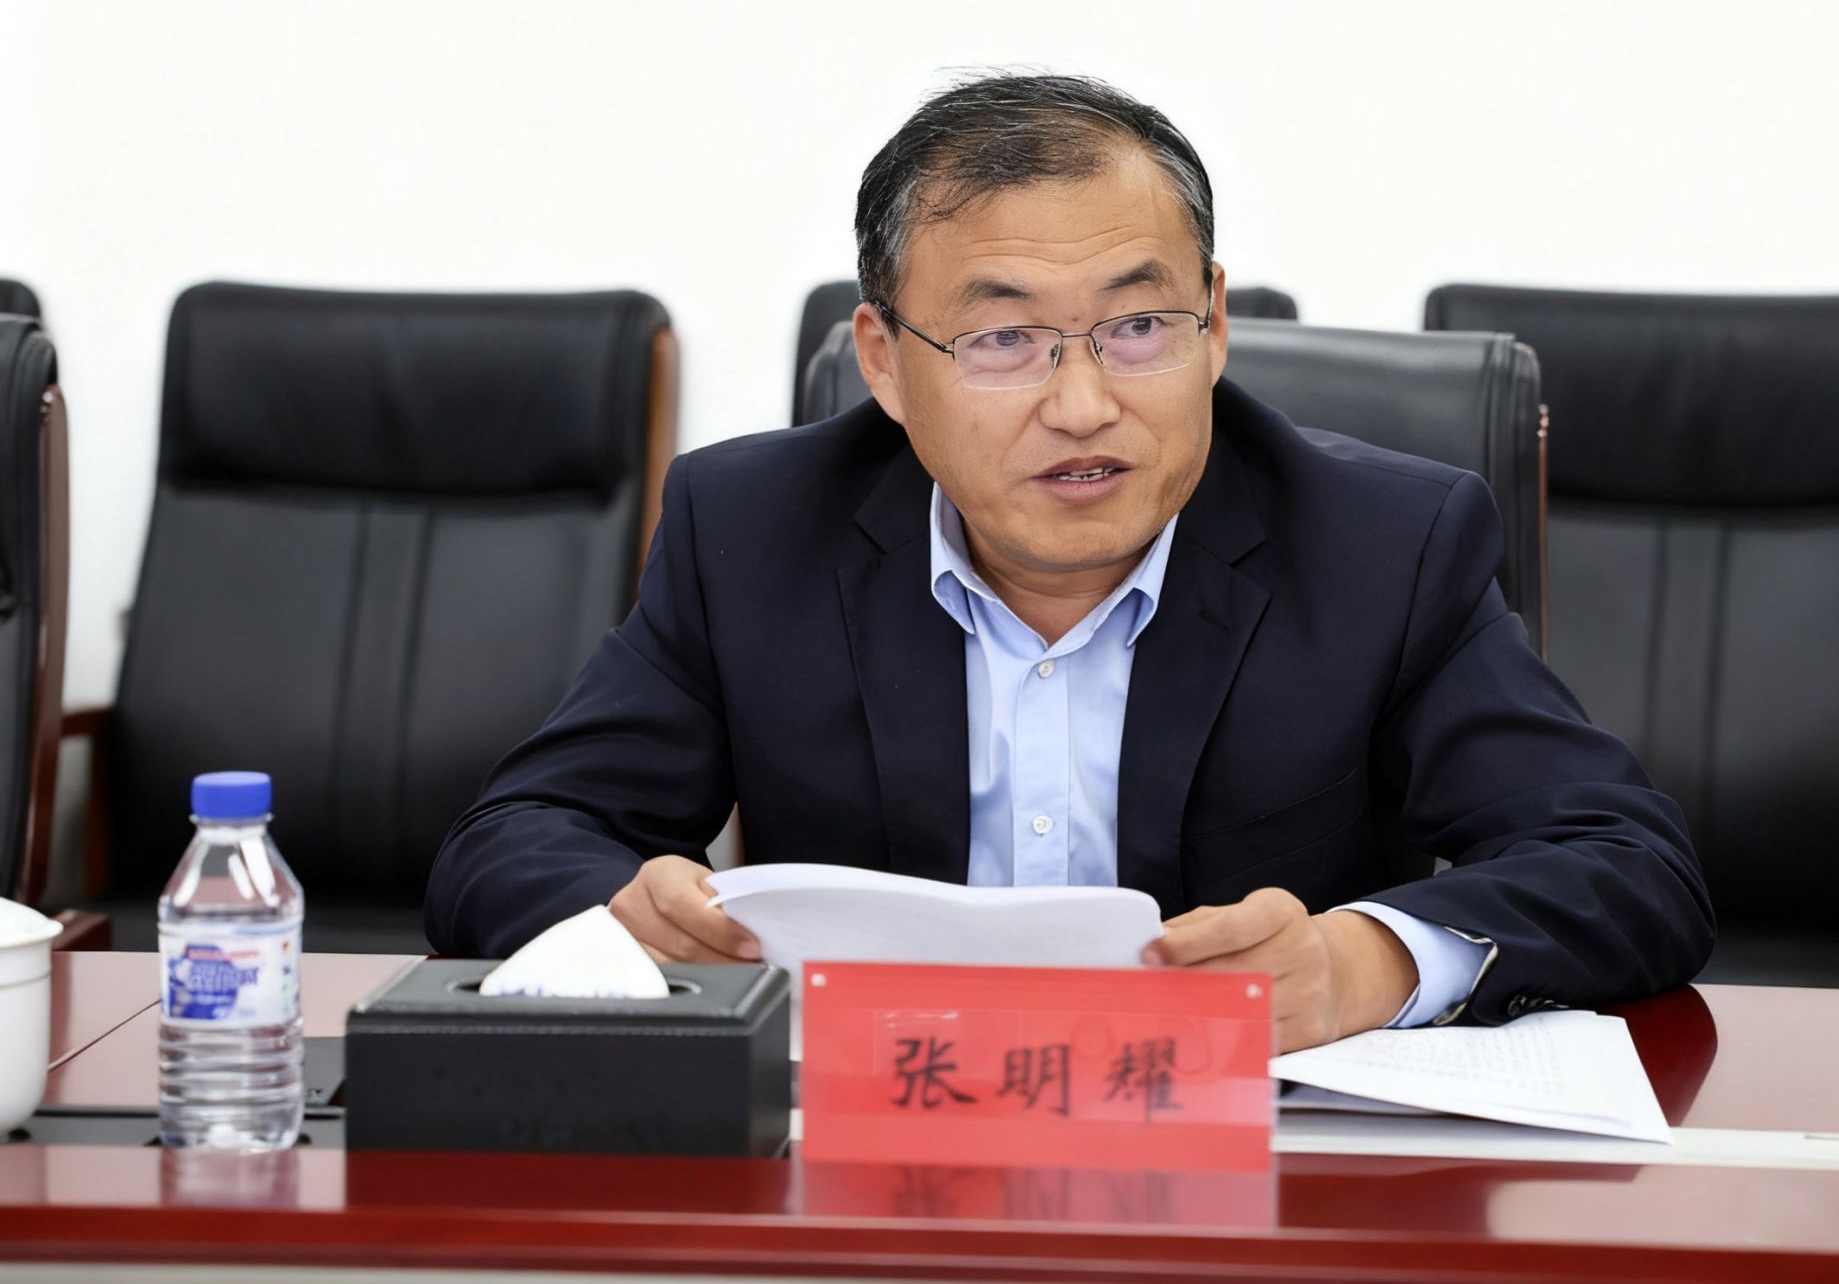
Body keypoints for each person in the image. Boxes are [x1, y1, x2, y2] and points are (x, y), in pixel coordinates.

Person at [425, 73, 1712, 1049]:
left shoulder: (1381, 544)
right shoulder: (751, 529)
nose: (1084, 404)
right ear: (883, 363)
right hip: (878, 1169)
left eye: (1138, 326)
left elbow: (1626, 864)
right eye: (1003, 341)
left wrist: (1359, 966)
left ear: (1214, 325)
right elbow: (516, 840)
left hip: (1246, 1189)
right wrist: (624, 921)